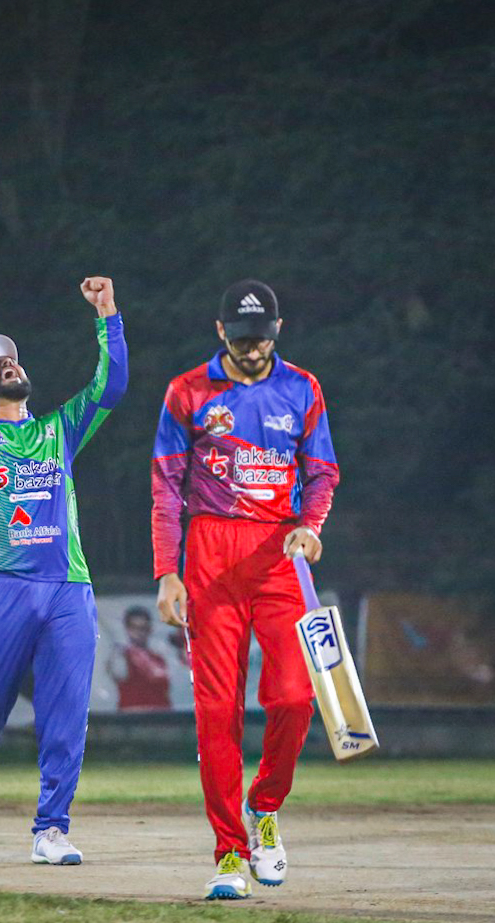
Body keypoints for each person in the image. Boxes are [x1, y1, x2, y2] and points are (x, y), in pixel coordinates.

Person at [0, 266, 128, 865]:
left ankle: (51, 829)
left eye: (12, 360)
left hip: (68, 586)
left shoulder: (57, 431)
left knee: (66, 712)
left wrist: (108, 316)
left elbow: (111, 386)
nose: (7, 364)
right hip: (0, 584)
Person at [152, 279, 339, 899]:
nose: (251, 349)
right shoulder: (187, 391)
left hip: (279, 554)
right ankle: (230, 852)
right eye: (240, 338)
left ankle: (265, 806)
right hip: (209, 553)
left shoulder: (303, 388)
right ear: (220, 332)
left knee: (294, 697)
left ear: (277, 331)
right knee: (216, 711)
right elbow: (165, 487)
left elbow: (322, 471)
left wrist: (310, 527)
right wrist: (168, 570)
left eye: (260, 338)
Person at [107, 605, 171, 711]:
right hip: (133, 717)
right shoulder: (122, 657)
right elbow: (117, 671)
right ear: (127, 629)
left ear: (150, 629)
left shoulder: (158, 659)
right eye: (134, 627)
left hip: (161, 717)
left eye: (143, 628)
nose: (139, 632)